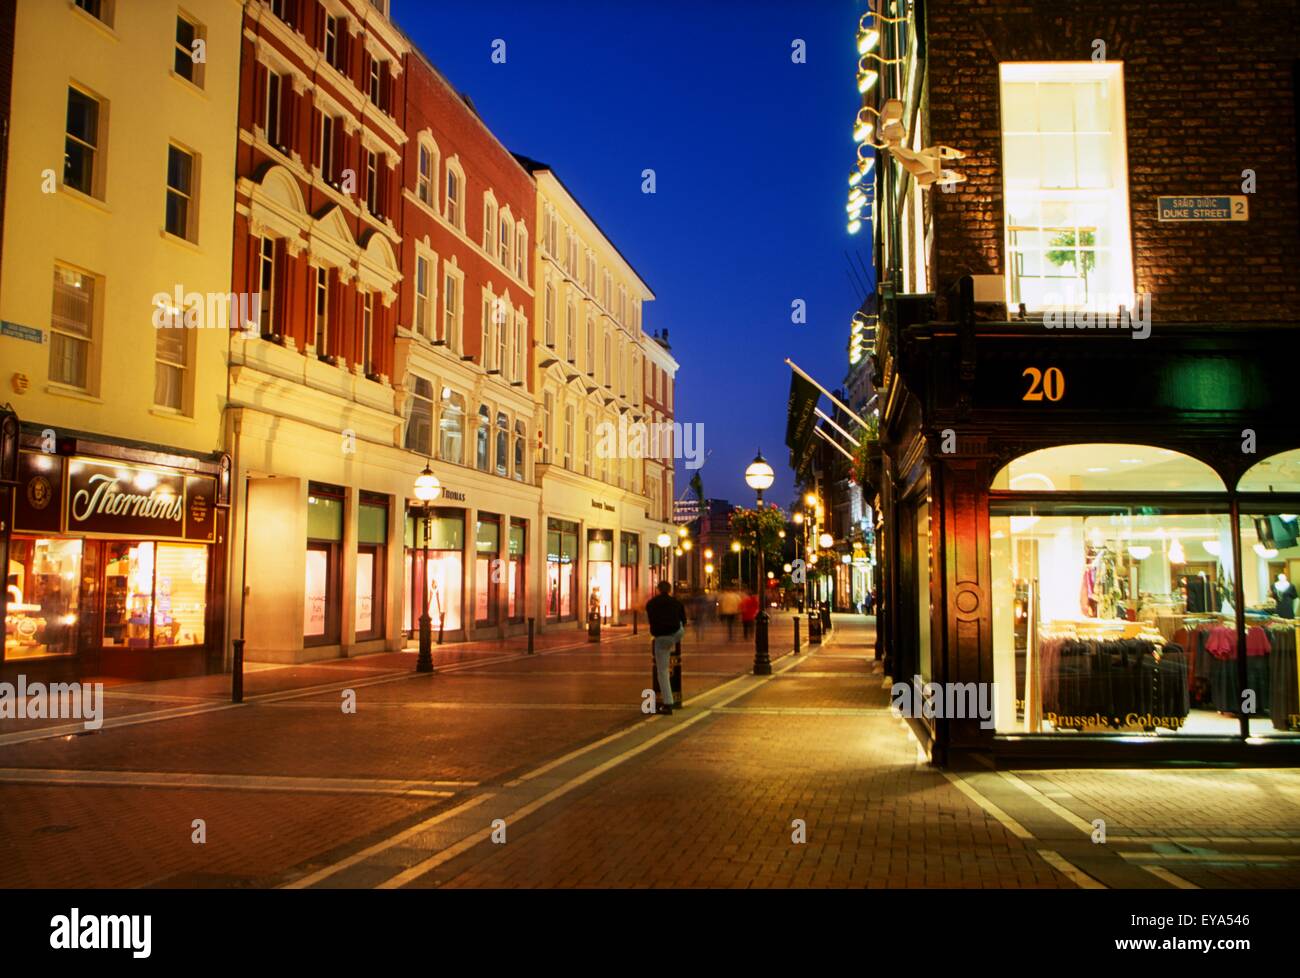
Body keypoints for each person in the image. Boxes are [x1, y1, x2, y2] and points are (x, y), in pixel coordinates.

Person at [645, 580, 686, 715]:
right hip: (676, 634)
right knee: (678, 630)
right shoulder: (676, 603)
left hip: (661, 637)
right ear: (669, 590)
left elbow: (651, 619)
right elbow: (684, 621)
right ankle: (672, 644)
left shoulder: (651, 603)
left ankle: (668, 703)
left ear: (657, 589)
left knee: (662, 671)